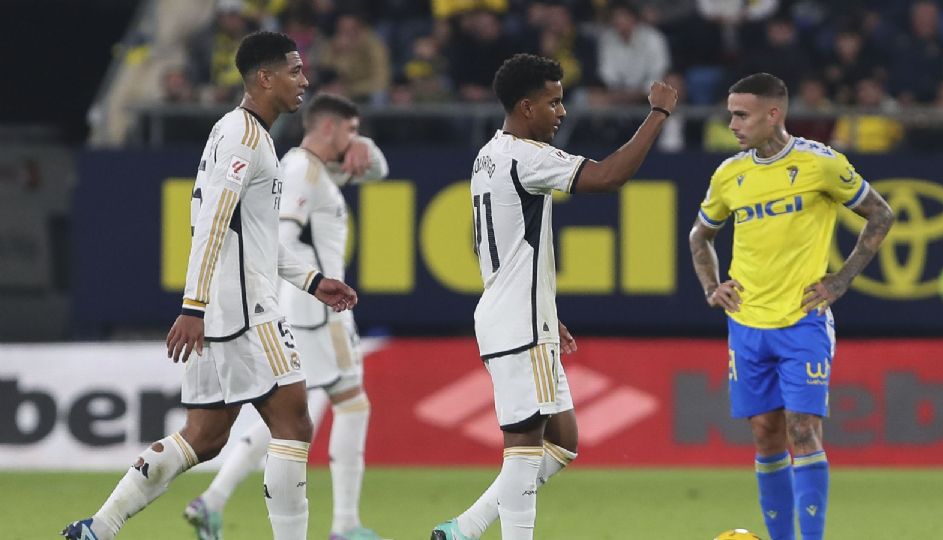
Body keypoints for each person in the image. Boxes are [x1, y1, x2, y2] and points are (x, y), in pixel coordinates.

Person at [61, 31, 359, 540]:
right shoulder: (245, 138)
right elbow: (214, 223)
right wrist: (192, 306)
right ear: (264, 78)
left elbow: (252, 235)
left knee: (204, 437)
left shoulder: (238, 132)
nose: (304, 80)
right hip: (245, 309)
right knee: (294, 423)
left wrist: (311, 280)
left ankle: (99, 527)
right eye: (294, 70)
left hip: (224, 306)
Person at [431, 53, 677, 540]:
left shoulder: (489, 154)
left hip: (518, 312)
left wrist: (546, 311)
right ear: (526, 107)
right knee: (523, 446)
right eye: (554, 102)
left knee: (561, 443)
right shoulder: (527, 156)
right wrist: (659, 114)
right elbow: (609, 177)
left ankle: (464, 528)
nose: (562, 112)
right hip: (517, 320)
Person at [688, 73, 894, 540]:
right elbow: (701, 235)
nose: (732, 123)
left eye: (741, 114)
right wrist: (710, 286)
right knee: (765, 431)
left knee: (803, 430)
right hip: (746, 322)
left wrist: (840, 280)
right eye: (731, 113)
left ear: (773, 114)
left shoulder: (821, 164)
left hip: (803, 320)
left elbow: (880, 213)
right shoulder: (729, 174)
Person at [184, 92, 388, 540]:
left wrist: (364, 147)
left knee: (295, 414)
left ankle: (212, 500)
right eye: (351, 130)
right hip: (318, 312)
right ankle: (345, 526)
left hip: (311, 309)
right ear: (329, 128)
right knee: (333, 410)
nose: (354, 139)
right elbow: (283, 238)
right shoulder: (300, 171)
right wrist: (314, 286)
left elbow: (379, 171)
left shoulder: (320, 169)